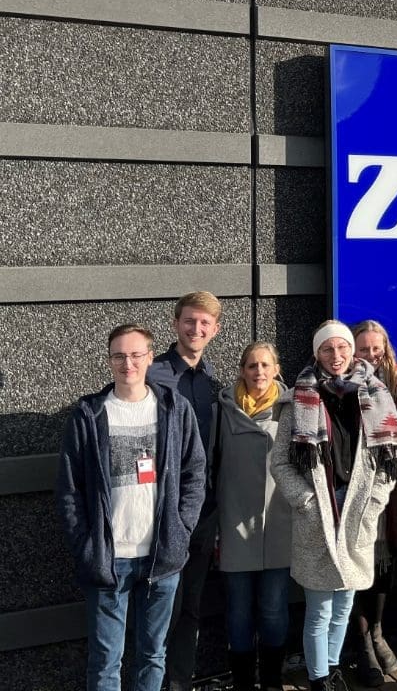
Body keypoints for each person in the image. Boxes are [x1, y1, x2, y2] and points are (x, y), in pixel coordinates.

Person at [56, 324, 206, 691]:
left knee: (153, 655)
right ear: (109, 360)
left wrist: (181, 529)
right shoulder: (89, 415)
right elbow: (70, 488)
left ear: (150, 357)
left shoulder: (175, 409)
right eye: (119, 356)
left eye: (136, 355)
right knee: (106, 661)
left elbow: (195, 473)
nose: (128, 363)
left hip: (162, 557)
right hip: (109, 560)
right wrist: (86, 545)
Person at [270, 320, 397, 691]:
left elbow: (390, 460)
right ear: (317, 353)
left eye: (343, 347)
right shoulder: (299, 399)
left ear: (351, 351)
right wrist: (306, 500)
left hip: (357, 511)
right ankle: (319, 679)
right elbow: (280, 462)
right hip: (319, 511)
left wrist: (374, 502)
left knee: (345, 604)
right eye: (327, 349)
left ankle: (331, 670)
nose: (336, 355)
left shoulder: (375, 395)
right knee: (319, 609)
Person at [147, 291, 222, 691]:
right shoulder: (152, 375)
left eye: (204, 323)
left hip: (205, 512)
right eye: (190, 321)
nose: (196, 329)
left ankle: (180, 681)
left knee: (191, 604)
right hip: (162, 512)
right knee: (160, 608)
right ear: (175, 323)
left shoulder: (214, 383)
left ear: (215, 330)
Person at [216, 342, 292, 691]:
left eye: (265, 365)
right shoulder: (223, 410)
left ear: (276, 369)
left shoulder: (292, 409)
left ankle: (273, 680)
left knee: (274, 608)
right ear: (242, 370)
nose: (258, 372)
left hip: (279, 524)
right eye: (251, 366)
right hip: (235, 526)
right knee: (238, 610)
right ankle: (243, 682)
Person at [349, 319, 397, 686]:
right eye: (363, 349)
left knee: (384, 563)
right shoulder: (342, 383)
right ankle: (362, 642)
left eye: (377, 348)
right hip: (355, 485)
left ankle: (377, 630)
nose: (371, 355)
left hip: (392, 488)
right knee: (359, 562)